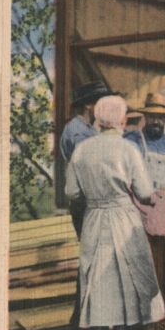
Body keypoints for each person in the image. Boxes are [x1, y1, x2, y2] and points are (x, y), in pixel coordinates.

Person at [64, 95, 165, 330]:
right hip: (122, 218)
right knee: (125, 286)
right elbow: (144, 192)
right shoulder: (127, 149)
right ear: (121, 119)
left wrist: (95, 194)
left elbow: (72, 192)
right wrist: (155, 199)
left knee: (98, 286)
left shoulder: (82, 150)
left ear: (98, 118)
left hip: (94, 219)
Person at [124, 93, 165, 311]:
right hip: (139, 213)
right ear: (145, 116)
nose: (156, 122)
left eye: (161, 118)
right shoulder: (133, 141)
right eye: (152, 117)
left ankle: (161, 312)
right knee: (141, 265)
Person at [60, 81, 118, 236]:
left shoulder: (90, 129)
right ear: (88, 105)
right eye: (101, 103)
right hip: (86, 202)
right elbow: (88, 169)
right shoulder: (78, 132)